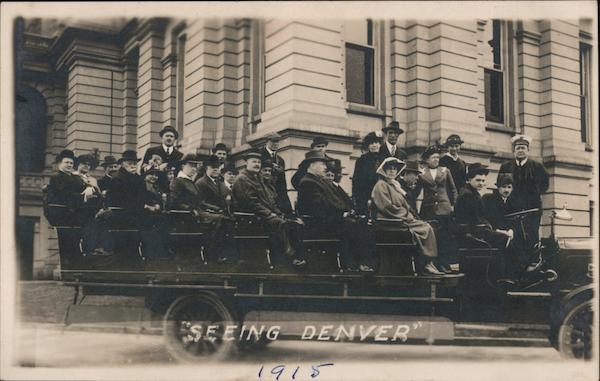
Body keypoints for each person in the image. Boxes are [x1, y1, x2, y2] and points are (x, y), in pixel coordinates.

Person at [297, 150, 375, 272]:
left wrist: (346, 212)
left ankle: (357, 263)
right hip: (318, 223)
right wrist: (341, 214)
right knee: (354, 225)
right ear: (312, 165)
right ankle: (354, 264)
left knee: (363, 223)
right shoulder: (308, 182)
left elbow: (335, 201)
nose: (325, 167)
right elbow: (318, 208)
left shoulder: (319, 181)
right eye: (322, 164)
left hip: (327, 220)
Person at [232, 150, 306, 268]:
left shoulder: (258, 178)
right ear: (247, 163)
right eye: (254, 162)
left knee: (293, 223)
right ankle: (288, 255)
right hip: (250, 217)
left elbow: (268, 200)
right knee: (279, 222)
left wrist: (277, 212)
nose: (257, 164)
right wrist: (269, 213)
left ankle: (298, 256)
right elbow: (251, 202)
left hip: (262, 214)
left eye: (258, 162)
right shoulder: (243, 179)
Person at [370, 157, 443, 275]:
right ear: (384, 170)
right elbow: (387, 207)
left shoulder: (394, 185)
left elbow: (406, 203)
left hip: (400, 218)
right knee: (426, 228)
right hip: (391, 220)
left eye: (394, 169)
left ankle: (427, 262)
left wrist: (401, 193)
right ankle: (426, 262)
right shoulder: (380, 185)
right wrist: (406, 215)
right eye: (389, 169)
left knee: (427, 226)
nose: (392, 171)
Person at [47, 149, 104, 255]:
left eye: (71, 163)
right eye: (66, 162)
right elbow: (66, 195)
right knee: (69, 245)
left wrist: (89, 188)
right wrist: (84, 196)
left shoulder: (75, 178)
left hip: (78, 212)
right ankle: (90, 250)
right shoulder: (57, 178)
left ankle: (92, 249)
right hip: (67, 214)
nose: (69, 165)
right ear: (60, 163)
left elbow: (84, 188)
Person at [498, 134, 550, 248]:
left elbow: (545, 184)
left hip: (532, 209)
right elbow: (500, 186)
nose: (520, 150)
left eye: (523, 148)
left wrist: (534, 194)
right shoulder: (506, 166)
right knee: (514, 237)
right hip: (512, 209)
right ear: (514, 151)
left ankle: (532, 262)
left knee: (531, 237)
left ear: (528, 150)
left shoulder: (537, 166)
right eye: (518, 148)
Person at [193, 155, 237, 263]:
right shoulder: (201, 183)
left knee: (232, 221)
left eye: (217, 168)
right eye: (213, 168)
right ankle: (212, 254)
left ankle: (226, 253)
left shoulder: (220, 183)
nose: (216, 170)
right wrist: (216, 208)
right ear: (207, 169)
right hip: (205, 213)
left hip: (220, 213)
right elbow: (200, 202)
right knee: (221, 221)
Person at [482, 173, 526, 280]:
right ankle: (500, 279)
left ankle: (515, 278)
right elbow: (485, 218)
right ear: (498, 187)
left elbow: (515, 221)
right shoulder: (488, 199)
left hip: (509, 234)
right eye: (503, 187)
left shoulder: (514, 202)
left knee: (522, 244)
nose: (506, 190)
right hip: (493, 233)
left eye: (509, 187)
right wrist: (498, 230)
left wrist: (511, 230)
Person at [106, 150, 147, 227]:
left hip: (135, 214)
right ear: (122, 164)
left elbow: (144, 195)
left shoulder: (138, 178)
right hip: (120, 216)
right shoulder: (117, 178)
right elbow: (122, 199)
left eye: (135, 164)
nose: (133, 166)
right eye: (129, 163)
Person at [418, 144, 457, 220]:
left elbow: (453, 189)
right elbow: (418, 190)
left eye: (437, 157)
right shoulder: (421, 172)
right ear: (427, 160)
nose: (436, 159)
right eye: (433, 157)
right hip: (428, 207)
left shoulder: (445, 170)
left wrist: (453, 205)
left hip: (444, 207)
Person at [142, 126, 184, 192]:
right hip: (155, 189)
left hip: (173, 190)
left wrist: (167, 165)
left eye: (171, 136)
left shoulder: (180, 155)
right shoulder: (151, 151)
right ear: (162, 137)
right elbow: (143, 170)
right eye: (167, 136)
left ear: (175, 139)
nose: (169, 138)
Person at [140, 169, 170, 259]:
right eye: (151, 174)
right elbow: (139, 200)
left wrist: (158, 204)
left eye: (156, 175)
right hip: (144, 213)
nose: (154, 177)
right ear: (145, 176)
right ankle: (149, 252)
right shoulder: (141, 186)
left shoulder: (156, 187)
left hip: (156, 213)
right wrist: (149, 207)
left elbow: (159, 201)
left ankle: (161, 251)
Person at [352, 131, 383, 215]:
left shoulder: (383, 160)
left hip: (381, 197)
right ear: (368, 146)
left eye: (376, 142)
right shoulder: (362, 160)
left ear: (380, 144)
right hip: (364, 197)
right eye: (371, 143)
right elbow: (356, 181)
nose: (374, 145)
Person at [259, 132, 290, 212]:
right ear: (267, 142)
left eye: (277, 141)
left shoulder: (280, 160)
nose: (276, 144)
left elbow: (282, 183)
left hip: (277, 195)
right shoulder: (259, 155)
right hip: (264, 193)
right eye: (273, 141)